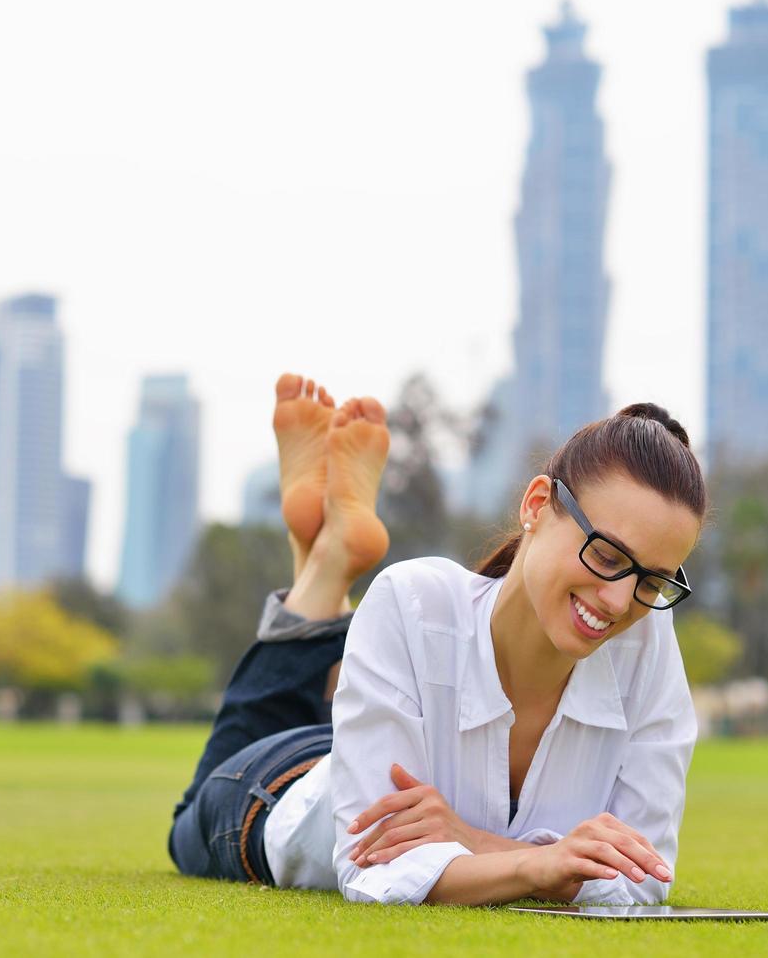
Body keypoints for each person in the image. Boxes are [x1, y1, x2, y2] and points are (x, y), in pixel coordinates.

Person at [168, 372, 706, 906]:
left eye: (653, 580)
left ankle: (323, 556)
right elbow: (375, 869)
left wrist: (474, 842)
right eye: (606, 556)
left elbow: (643, 877)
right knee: (187, 819)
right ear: (537, 505)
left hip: (368, 750)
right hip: (278, 790)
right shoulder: (416, 601)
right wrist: (542, 862)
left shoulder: (647, 637)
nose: (619, 600)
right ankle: (327, 564)